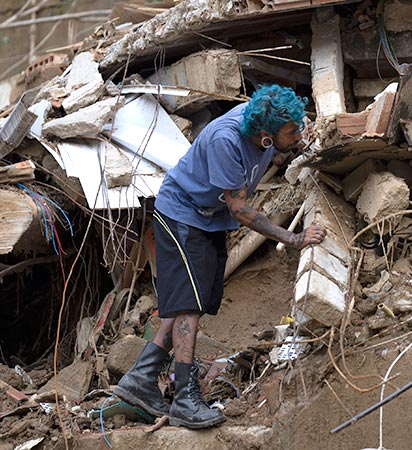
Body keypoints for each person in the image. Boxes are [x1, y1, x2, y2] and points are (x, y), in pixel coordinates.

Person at [114, 85, 326, 429]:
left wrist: (304, 141)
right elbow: (240, 210)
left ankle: (140, 377)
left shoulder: (265, 127)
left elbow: (283, 145)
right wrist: (293, 237)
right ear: (265, 134)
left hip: (208, 219)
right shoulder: (225, 141)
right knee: (189, 305)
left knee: (194, 300)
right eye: (291, 131)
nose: (297, 133)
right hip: (182, 216)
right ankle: (185, 397)